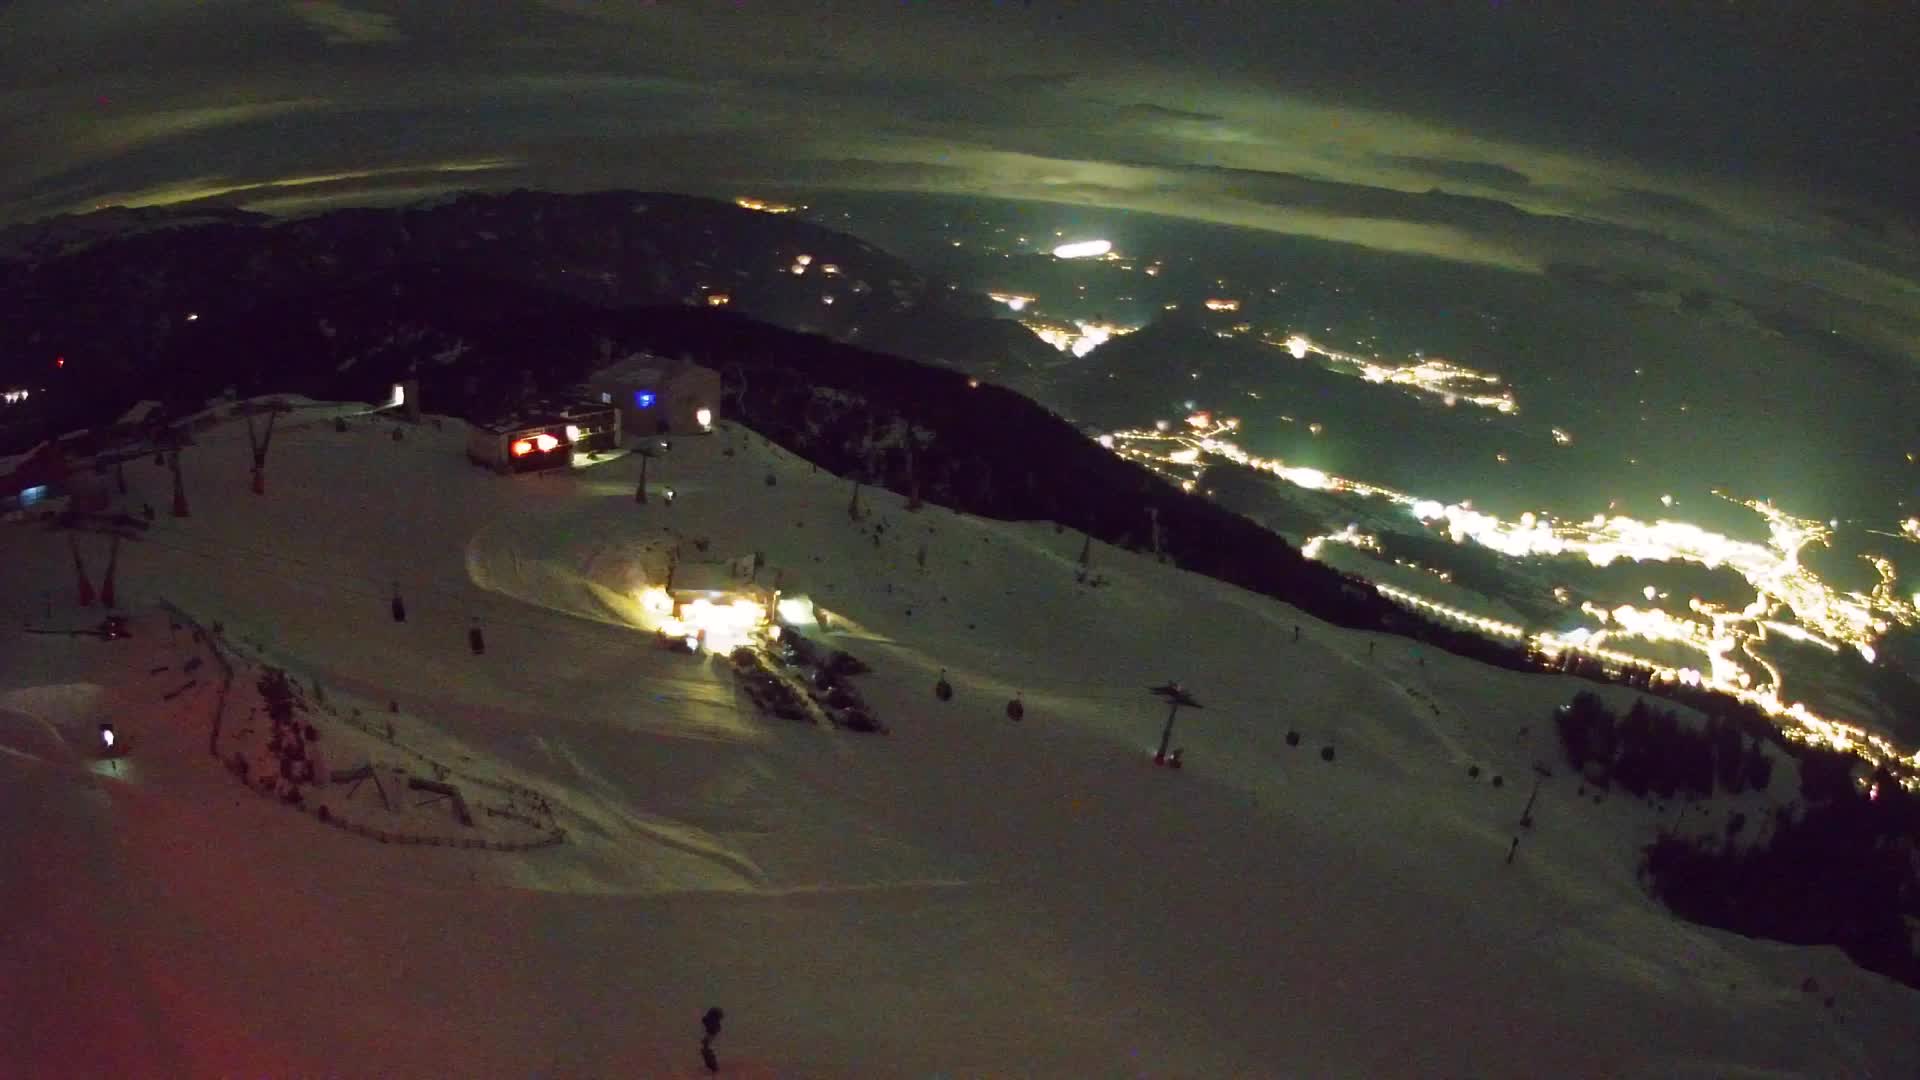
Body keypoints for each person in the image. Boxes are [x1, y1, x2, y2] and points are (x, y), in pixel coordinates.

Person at [700, 1007, 724, 1074]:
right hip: (709, 1040)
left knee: (706, 1049)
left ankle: (713, 1067)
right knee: (706, 1049)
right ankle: (712, 1067)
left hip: (709, 1040)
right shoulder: (714, 1026)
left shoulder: (713, 1026)